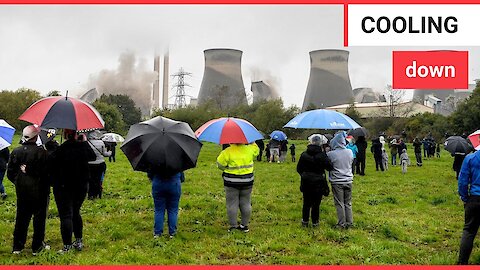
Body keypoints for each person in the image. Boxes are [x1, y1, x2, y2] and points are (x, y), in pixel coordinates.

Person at [50, 129, 96, 253]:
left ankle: (67, 245)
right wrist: (85, 142)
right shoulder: (82, 148)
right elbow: (93, 156)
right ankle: (79, 240)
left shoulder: (60, 150)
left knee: (66, 215)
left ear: (65, 135)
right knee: (76, 212)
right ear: (77, 134)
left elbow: (51, 163)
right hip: (80, 185)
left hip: (63, 186)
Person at [7, 125, 50, 255]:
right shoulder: (42, 153)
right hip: (40, 191)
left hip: (22, 191)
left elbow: (10, 173)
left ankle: (17, 246)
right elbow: (47, 173)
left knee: (21, 218)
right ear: (36, 136)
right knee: (39, 219)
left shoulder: (16, 151)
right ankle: (37, 246)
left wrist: (18, 181)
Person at [217, 143, 259, 232]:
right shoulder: (250, 149)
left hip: (231, 181)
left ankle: (233, 226)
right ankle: (244, 225)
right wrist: (252, 142)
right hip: (247, 180)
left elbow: (220, 164)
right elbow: (257, 150)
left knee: (232, 203)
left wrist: (226, 168)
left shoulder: (227, 152)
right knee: (246, 202)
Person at [296, 134, 333, 227]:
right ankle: (315, 222)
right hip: (319, 182)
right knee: (316, 204)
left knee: (306, 203)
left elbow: (299, 168)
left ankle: (305, 221)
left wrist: (304, 175)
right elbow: (329, 167)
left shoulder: (304, 155)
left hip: (306, 181)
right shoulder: (322, 155)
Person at [457, 149, 480, 265]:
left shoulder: (470, 158)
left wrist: (465, 198)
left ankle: (462, 263)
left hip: (475, 198)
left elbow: (463, 180)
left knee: (469, 231)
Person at [327, 132, 354, 229]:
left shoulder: (331, 154)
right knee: (348, 202)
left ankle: (341, 223)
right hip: (348, 180)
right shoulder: (349, 152)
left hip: (337, 180)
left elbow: (328, 165)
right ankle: (349, 222)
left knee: (339, 203)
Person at [148, 170, 184, 238]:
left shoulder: (155, 160)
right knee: (173, 209)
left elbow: (150, 175)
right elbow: (182, 178)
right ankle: (172, 232)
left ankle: (157, 233)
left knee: (159, 210)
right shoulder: (177, 161)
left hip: (158, 184)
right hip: (174, 184)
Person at [87, 133, 111, 200]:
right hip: (100, 164)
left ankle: (90, 194)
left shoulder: (86, 143)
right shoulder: (101, 142)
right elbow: (105, 154)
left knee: (90, 180)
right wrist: (110, 153)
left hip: (89, 165)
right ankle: (98, 193)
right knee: (99, 179)